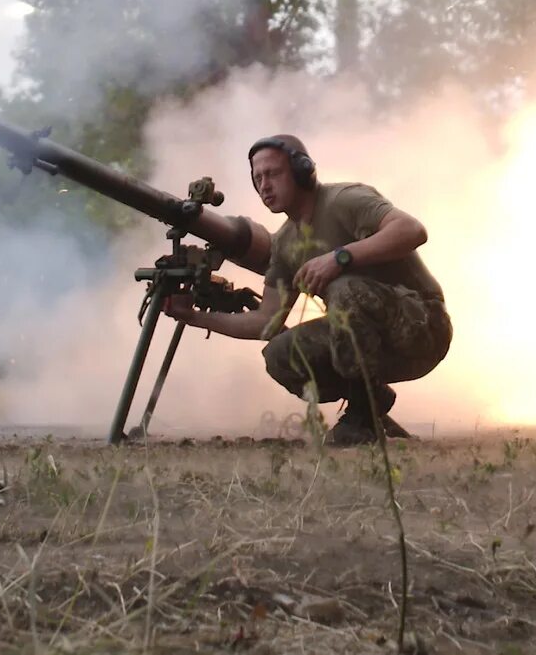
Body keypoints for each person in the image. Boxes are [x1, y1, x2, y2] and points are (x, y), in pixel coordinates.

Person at [164, 135, 452, 446]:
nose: (265, 185)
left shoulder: (345, 199)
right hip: (375, 344)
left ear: (303, 171)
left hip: (423, 327)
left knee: (345, 290)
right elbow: (266, 322)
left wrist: (340, 258)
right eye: (257, 178)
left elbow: (412, 230)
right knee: (281, 354)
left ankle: (363, 414)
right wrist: (193, 317)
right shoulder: (286, 243)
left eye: (273, 174)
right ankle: (371, 400)